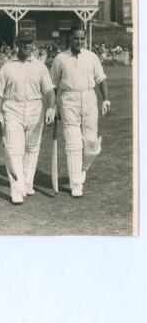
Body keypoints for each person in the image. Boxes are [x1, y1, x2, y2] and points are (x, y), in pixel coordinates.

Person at [0, 29, 56, 204]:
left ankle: (27, 183)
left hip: (36, 109)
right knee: (14, 150)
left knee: (32, 148)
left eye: (29, 42)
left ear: (34, 44)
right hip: (12, 110)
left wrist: (50, 108)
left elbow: (49, 91)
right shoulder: (7, 67)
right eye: (23, 42)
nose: (26, 45)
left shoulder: (40, 67)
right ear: (16, 43)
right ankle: (17, 190)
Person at [51, 23, 111, 197]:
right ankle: (75, 184)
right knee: (73, 143)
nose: (79, 41)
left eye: (82, 38)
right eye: (76, 38)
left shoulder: (92, 57)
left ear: (85, 39)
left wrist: (105, 99)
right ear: (69, 38)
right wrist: (53, 106)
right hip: (69, 99)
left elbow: (101, 79)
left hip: (89, 99)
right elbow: (53, 85)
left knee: (91, 144)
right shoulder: (60, 59)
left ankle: (83, 167)